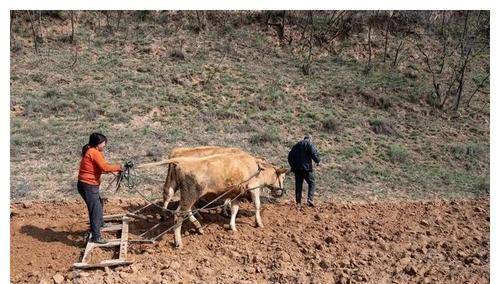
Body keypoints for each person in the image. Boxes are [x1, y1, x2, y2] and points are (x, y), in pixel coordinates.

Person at [78, 132, 122, 244]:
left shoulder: (93, 151)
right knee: (95, 210)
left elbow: (101, 168)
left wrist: (115, 169)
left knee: (99, 203)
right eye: (103, 143)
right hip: (88, 185)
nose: (104, 145)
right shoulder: (94, 153)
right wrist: (119, 168)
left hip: (87, 185)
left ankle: (100, 223)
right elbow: (105, 167)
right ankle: (96, 237)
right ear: (98, 144)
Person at [288, 134, 321, 208]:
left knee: (298, 185)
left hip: (297, 169)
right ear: (310, 139)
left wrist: (293, 166)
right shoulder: (309, 143)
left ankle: (298, 202)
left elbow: (289, 157)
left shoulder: (296, 146)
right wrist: (318, 161)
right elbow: (313, 153)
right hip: (306, 168)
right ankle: (310, 199)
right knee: (312, 182)